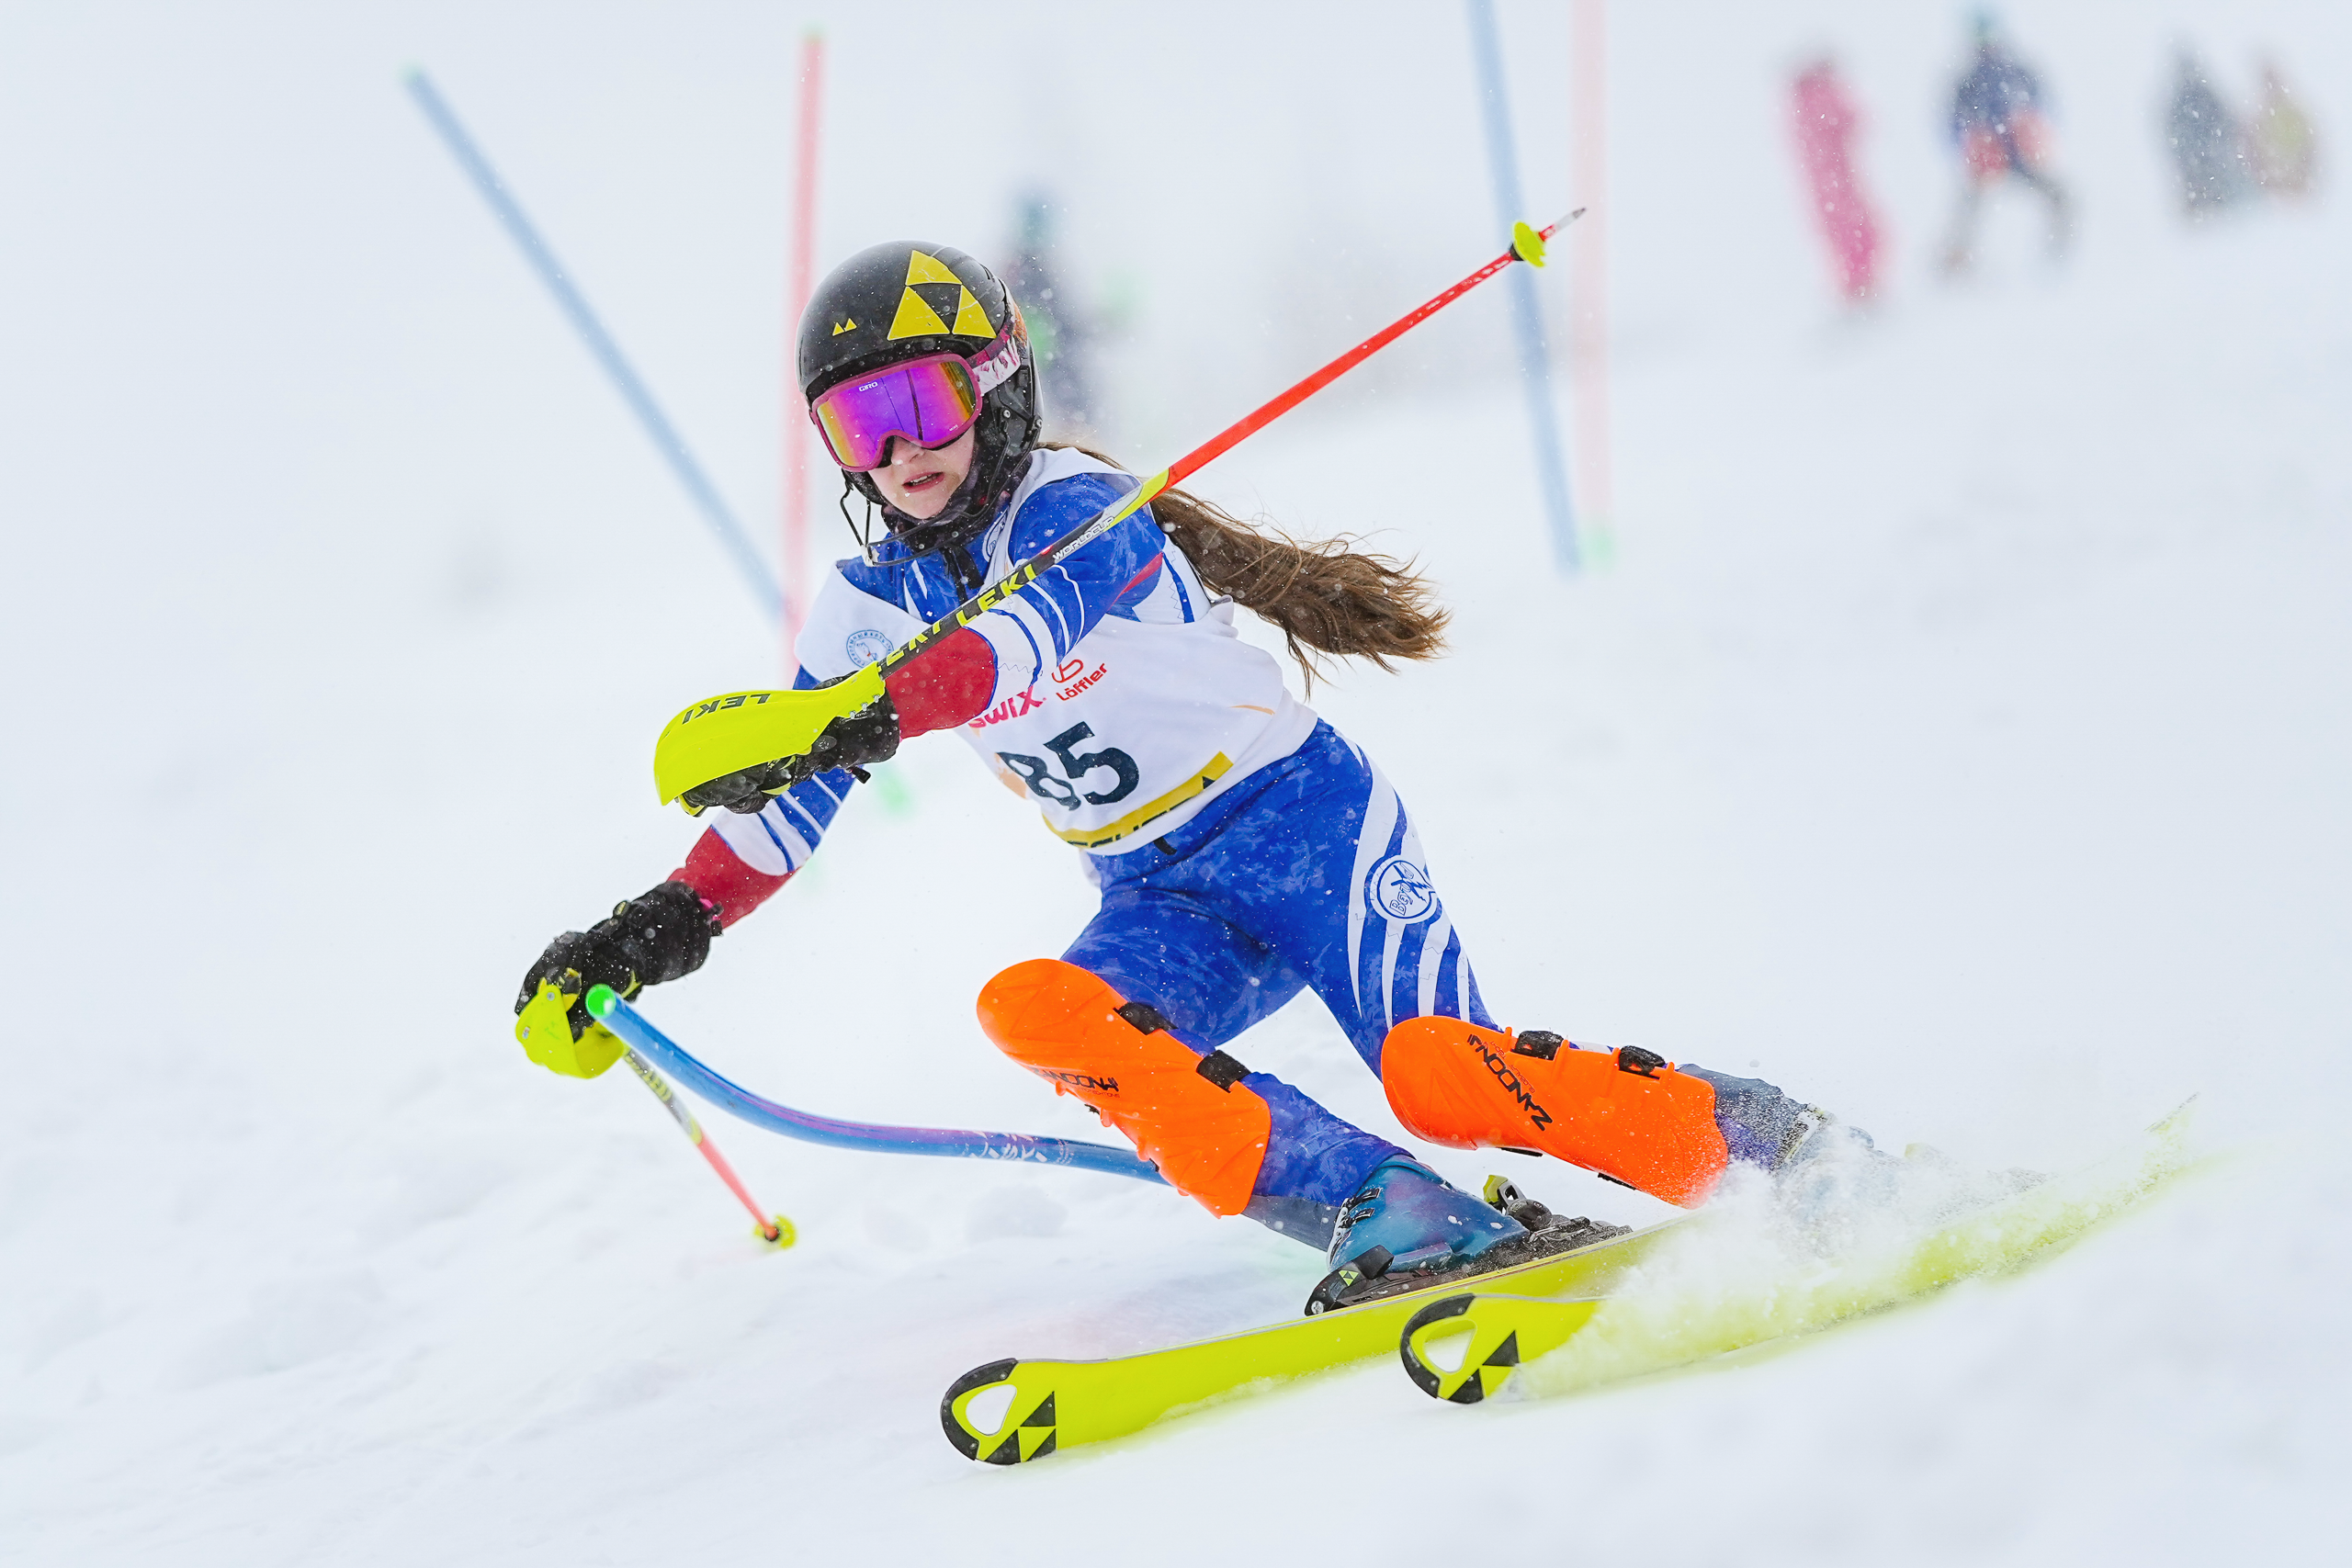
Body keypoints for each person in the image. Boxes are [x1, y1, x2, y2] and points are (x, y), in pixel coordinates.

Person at [515, 242, 1875, 1308]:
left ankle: (1775, 1149)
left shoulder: (1070, 510)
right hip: (1157, 892)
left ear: (995, 384)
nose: (897, 449)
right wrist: (653, 930)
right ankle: (1390, 1211)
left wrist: (861, 714)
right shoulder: (861, 608)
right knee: (1039, 1007)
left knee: (1441, 1071)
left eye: (919, 398)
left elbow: (1003, 652)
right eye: (855, 423)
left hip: (1304, 830)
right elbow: (784, 812)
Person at [1940, 14, 2072, 274]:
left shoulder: (2014, 72)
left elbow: (2042, 106)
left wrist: (2034, 133)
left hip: (2019, 154)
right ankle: (1956, 262)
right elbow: (1952, 123)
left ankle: (2058, 253)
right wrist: (1970, 145)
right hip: (1988, 157)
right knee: (1967, 209)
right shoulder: (1970, 79)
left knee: (2059, 197)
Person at [1791, 55, 1884, 305]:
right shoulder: (1823, 96)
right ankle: (1862, 285)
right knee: (1856, 227)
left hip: (1821, 178)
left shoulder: (1799, 101)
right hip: (1837, 175)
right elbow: (1855, 121)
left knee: (1839, 230)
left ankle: (1855, 285)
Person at [2165, 49, 2253, 218]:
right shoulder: (2190, 96)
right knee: (2205, 182)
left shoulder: (2199, 94)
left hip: (2204, 152)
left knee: (2207, 183)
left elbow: (2223, 117)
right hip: (2201, 152)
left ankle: (2211, 207)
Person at [2248, 58, 2318, 197]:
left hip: (2285, 175)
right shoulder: (2264, 114)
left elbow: (2309, 143)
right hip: (2280, 178)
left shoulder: (2287, 110)